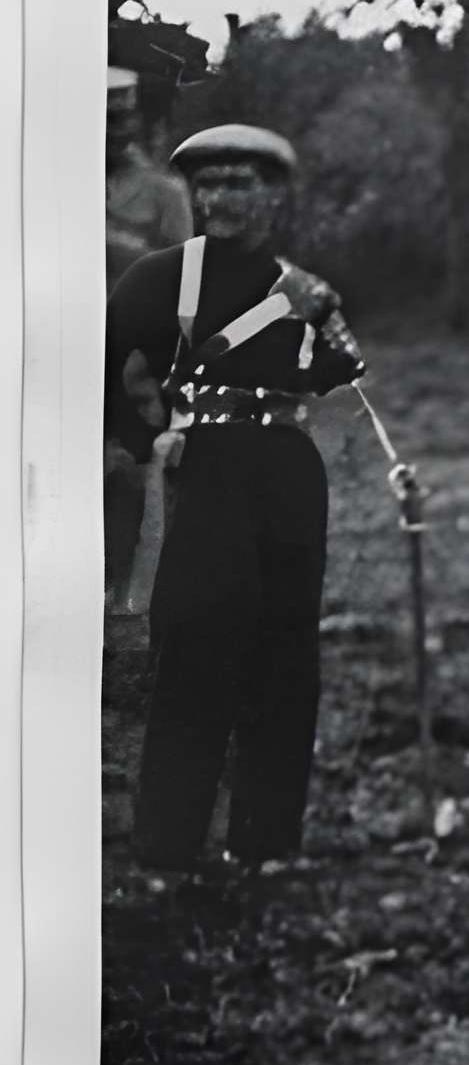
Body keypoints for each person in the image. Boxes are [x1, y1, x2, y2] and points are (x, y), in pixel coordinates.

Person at [105, 124, 371, 876]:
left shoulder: (303, 286)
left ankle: (265, 844)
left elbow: (342, 368)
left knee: (285, 653)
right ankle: (167, 850)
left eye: (239, 184)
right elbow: (100, 362)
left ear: (274, 195)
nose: (219, 198)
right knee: (193, 649)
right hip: (202, 470)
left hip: (287, 471)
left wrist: (317, 314)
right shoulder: (160, 276)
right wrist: (137, 439)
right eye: (208, 184)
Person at [105, 65, 193, 607]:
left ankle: (117, 594)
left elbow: (181, 279)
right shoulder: (42, 182)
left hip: (129, 354)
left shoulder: (164, 191)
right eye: (103, 120)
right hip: (50, 350)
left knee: (127, 471)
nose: (115, 131)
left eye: (123, 119)